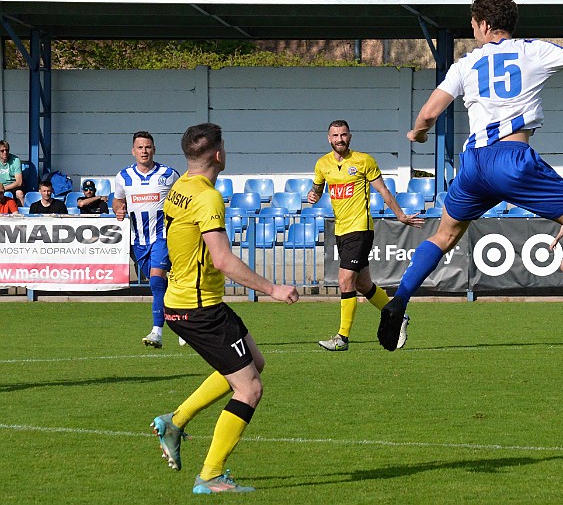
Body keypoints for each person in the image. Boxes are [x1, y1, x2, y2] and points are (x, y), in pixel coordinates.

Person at [377, 0, 563, 349]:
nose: (473, 33)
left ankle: (399, 300)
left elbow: (427, 113)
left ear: (484, 25)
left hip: (473, 164)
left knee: (443, 236)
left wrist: (418, 133)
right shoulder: (534, 50)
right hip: (512, 159)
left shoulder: (466, 64)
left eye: (472, 26)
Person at [151, 122, 299, 494]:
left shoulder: (180, 187)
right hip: (199, 309)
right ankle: (211, 475)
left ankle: (176, 421)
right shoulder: (206, 197)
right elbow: (223, 260)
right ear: (219, 154)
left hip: (188, 302)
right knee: (249, 389)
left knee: (254, 362)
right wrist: (273, 288)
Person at [310, 119, 425, 352]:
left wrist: (401, 215)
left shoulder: (364, 161)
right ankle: (398, 316)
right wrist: (313, 195)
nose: (339, 139)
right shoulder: (322, 164)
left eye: (343, 135)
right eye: (335, 136)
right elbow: (317, 188)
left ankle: (342, 338)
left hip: (360, 228)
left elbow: (383, 190)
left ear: (350, 136)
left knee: (345, 280)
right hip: (340, 230)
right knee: (363, 284)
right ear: (328, 138)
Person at [113, 131, 181, 348]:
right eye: (140, 147)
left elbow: (183, 199)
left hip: (162, 237)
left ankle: (157, 332)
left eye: (148, 147)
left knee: (156, 282)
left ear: (154, 149)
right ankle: (185, 324)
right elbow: (117, 202)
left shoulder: (169, 174)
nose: (144, 151)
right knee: (161, 287)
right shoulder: (123, 177)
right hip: (138, 241)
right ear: (133, 151)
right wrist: (118, 210)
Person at [0, 140, 25, 207]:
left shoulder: (15, 160)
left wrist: (4, 188)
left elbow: (19, 182)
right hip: (0, 185)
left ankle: (24, 213)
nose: (5, 152)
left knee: (19, 193)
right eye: (2, 151)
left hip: (13, 185)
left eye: (7, 150)